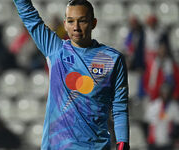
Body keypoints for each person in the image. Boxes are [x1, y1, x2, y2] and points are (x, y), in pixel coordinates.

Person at [13, 0, 130, 149]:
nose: (76, 27)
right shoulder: (55, 50)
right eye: (71, 21)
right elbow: (30, 17)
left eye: (82, 21)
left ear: (93, 23)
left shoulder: (112, 59)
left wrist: (123, 142)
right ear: (65, 24)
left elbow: (119, 106)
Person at [144, 82, 179, 150]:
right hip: (154, 142)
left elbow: (177, 124)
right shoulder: (153, 105)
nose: (165, 95)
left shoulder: (174, 107)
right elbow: (146, 123)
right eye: (163, 93)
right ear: (160, 93)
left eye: (167, 93)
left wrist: (175, 136)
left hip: (168, 141)